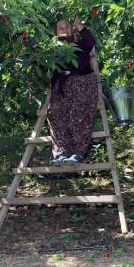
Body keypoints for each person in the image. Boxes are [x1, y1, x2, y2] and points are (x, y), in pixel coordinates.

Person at [48, 16, 97, 164]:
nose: (64, 29)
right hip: (61, 86)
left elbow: (90, 43)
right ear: (55, 32)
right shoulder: (51, 48)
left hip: (82, 82)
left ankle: (78, 153)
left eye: (67, 26)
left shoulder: (80, 43)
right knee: (55, 114)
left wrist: (80, 27)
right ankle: (61, 153)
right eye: (60, 27)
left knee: (79, 113)